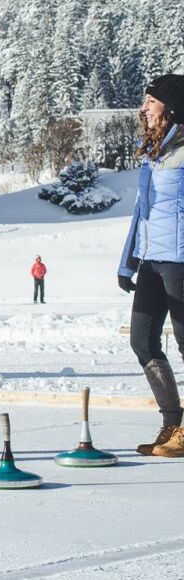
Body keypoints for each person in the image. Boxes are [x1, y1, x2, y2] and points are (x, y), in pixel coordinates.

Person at [117, 73, 184, 457]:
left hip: (180, 260)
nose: (144, 107)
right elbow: (142, 211)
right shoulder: (155, 150)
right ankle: (172, 421)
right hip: (152, 260)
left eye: (151, 101)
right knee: (142, 340)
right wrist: (128, 261)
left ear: (171, 107)